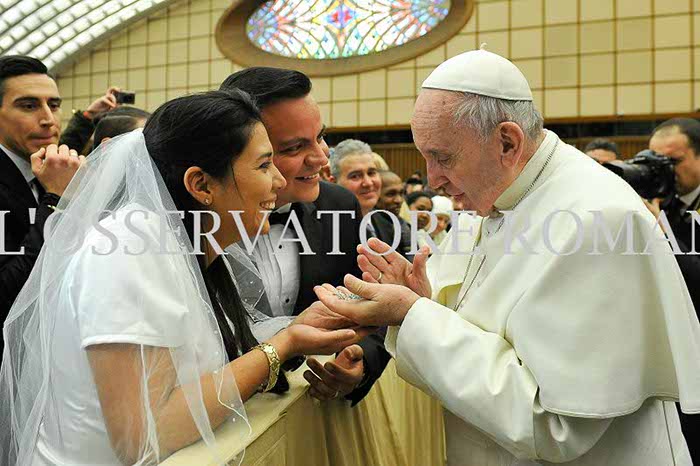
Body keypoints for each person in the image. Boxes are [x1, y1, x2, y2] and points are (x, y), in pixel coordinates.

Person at [315, 49, 700, 465]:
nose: (432, 180)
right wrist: (425, 300)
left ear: (507, 142)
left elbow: (556, 426)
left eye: (442, 157)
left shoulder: (598, 220)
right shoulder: (494, 192)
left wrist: (413, 316)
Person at [0, 90, 367, 465]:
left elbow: (194, 367)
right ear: (202, 185)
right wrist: (282, 346)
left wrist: (297, 328)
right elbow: (143, 435)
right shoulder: (131, 249)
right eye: (263, 166)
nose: (279, 181)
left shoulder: (190, 244)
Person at [220, 67, 390, 404]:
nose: (322, 157)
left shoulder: (339, 205)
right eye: (295, 147)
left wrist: (358, 362)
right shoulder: (200, 220)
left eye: (321, 137)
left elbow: (370, 302)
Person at [0, 55, 83, 352]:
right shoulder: (54, 185)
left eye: (54, 105)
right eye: (29, 106)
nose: (48, 119)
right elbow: (8, 291)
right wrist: (56, 200)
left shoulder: (46, 171)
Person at [642, 117, 700, 462]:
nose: (664, 171)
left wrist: (659, 235)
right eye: (655, 162)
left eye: (673, 161)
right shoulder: (663, 201)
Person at [376, 170, 413, 259]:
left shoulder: (404, 226)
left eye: (401, 193)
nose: (399, 200)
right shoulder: (370, 230)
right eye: (391, 194)